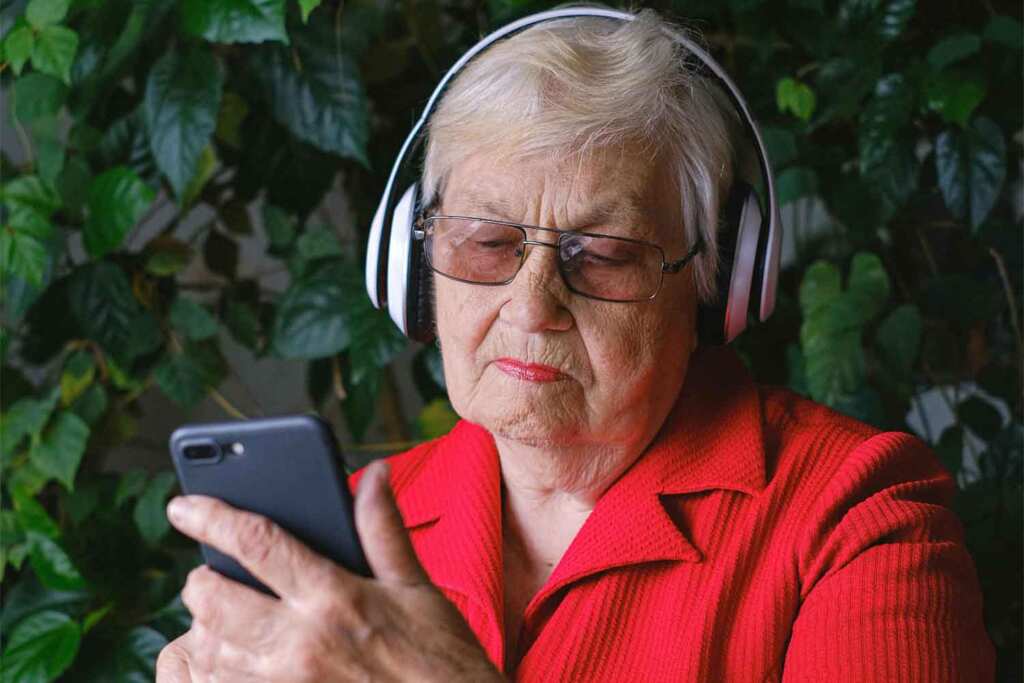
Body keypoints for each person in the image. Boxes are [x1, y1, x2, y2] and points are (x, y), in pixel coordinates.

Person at [157, 7, 995, 681]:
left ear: (714, 288)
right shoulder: (340, 549)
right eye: (486, 242)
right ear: (411, 267)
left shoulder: (856, 517)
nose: (532, 306)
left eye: (604, 255)